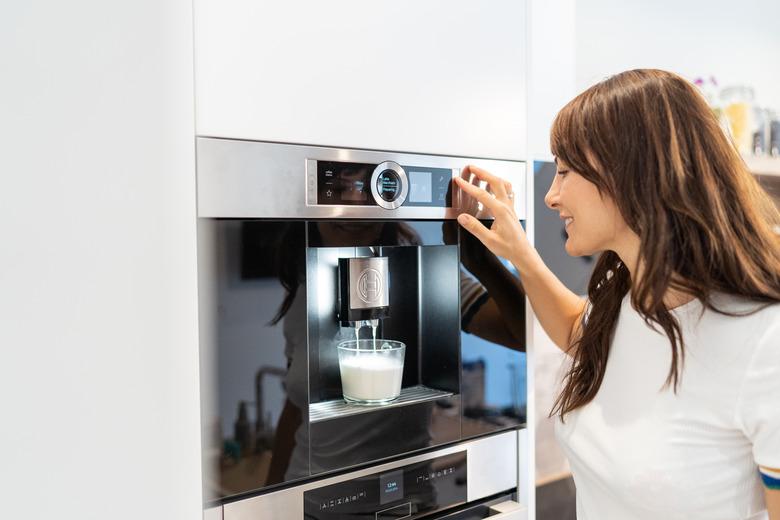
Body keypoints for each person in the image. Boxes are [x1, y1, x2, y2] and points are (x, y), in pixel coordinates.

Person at [454, 69, 780, 519]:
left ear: (634, 174)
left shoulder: (765, 341)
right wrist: (516, 253)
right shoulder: (626, 294)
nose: (551, 195)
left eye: (565, 171)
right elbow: (576, 330)